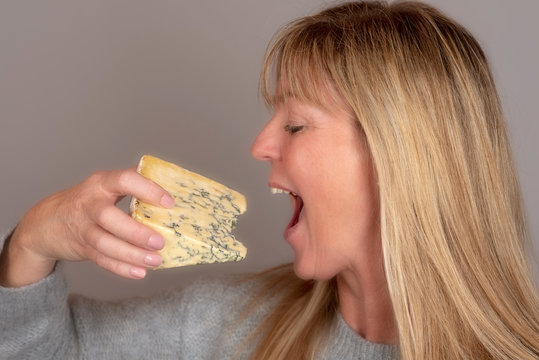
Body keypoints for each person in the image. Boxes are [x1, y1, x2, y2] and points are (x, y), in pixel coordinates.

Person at [1, 1, 538, 359]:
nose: (260, 146)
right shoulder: (224, 328)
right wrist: (30, 243)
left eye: (296, 123)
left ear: (400, 155)